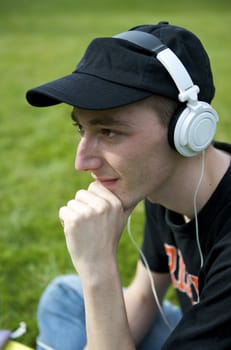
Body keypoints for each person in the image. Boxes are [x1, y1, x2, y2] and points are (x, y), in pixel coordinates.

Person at [26, 21, 231, 350]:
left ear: (189, 131)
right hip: (200, 324)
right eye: (82, 129)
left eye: (108, 132)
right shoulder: (162, 185)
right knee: (64, 297)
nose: (82, 162)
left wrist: (97, 270)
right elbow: (142, 299)